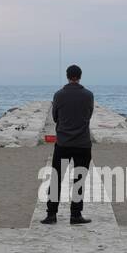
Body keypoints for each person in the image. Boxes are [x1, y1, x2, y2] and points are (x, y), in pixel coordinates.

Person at [42, 64, 93, 225]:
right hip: (83, 143)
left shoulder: (58, 95)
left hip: (63, 143)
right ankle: (75, 215)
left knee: (56, 178)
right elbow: (88, 115)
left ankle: (51, 215)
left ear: (67, 76)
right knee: (79, 180)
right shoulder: (88, 95)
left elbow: (55, 117)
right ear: (80, 76)